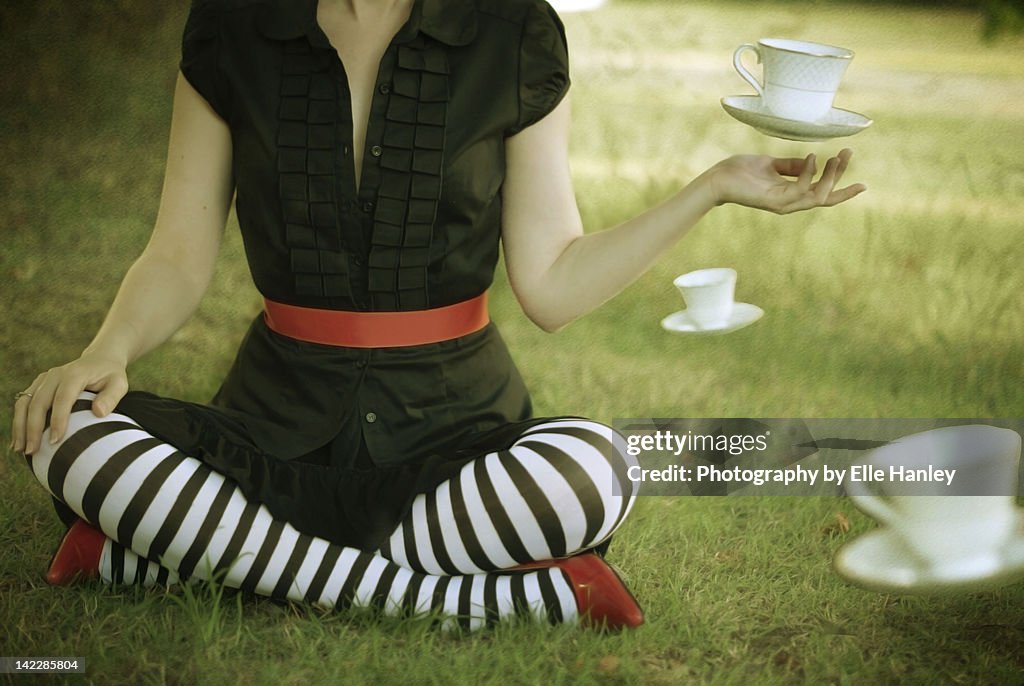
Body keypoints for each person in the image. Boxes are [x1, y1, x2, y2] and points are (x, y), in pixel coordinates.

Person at [10, 0, 864, 631]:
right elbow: (177, 254)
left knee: (593, 470)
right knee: (67, 433)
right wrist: (107, 349)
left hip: (457, 445)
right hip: (270, 432)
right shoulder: (232, 26)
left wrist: (711, 188)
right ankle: (482, 597)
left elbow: (554, 285)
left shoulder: (514, 33)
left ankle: (180, 556)